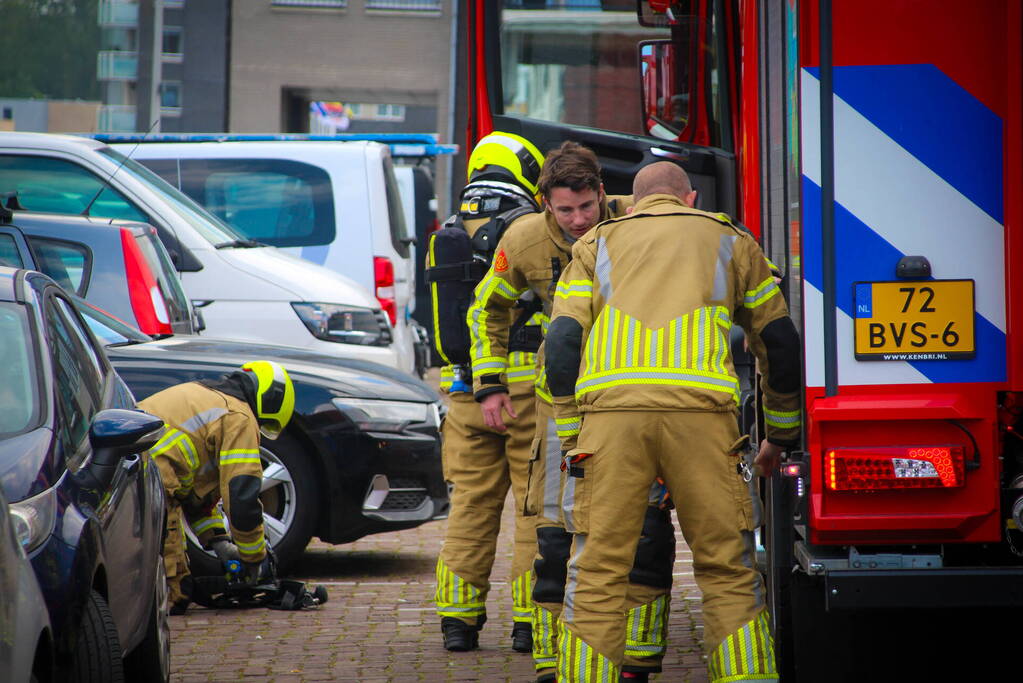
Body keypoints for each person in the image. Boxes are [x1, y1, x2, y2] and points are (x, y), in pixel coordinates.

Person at [544, 161, 801, 682]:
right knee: (727, 568)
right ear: (688, 200)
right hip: (703, 419)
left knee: (596, 571)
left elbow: (563, 346)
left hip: (612, 422)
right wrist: (780, 435)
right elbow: (778, 343)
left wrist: (573, 434)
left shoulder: (594, 244)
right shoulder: (731, 241)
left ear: (633, 205)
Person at [468, 141, 675, 683]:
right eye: (565, 210)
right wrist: (488, 384)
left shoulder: (641, 220)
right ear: (544, 204)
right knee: (554, 528)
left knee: (646, 527)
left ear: (604, 194)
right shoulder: (524, 239)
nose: (579, 220)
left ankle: (637, 655)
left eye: (587, 206)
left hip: (632, 398)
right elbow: (487, 308)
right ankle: (551, 657)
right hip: (559, 404)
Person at [430, 131, 546, 653]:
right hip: (524, 388)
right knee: (532, 509)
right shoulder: (532, 230)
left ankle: (457, 622)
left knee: (471, 507)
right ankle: (528, 623)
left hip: (463, 391)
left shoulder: (449, 230)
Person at [138, 360, 295, 615]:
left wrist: (219, 542)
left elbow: (196, 497)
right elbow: (242, 496)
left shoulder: (209, 398)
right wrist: (254, 557)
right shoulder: (240, 416)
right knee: (174, 593)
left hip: (135, 473)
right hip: (153, 481)